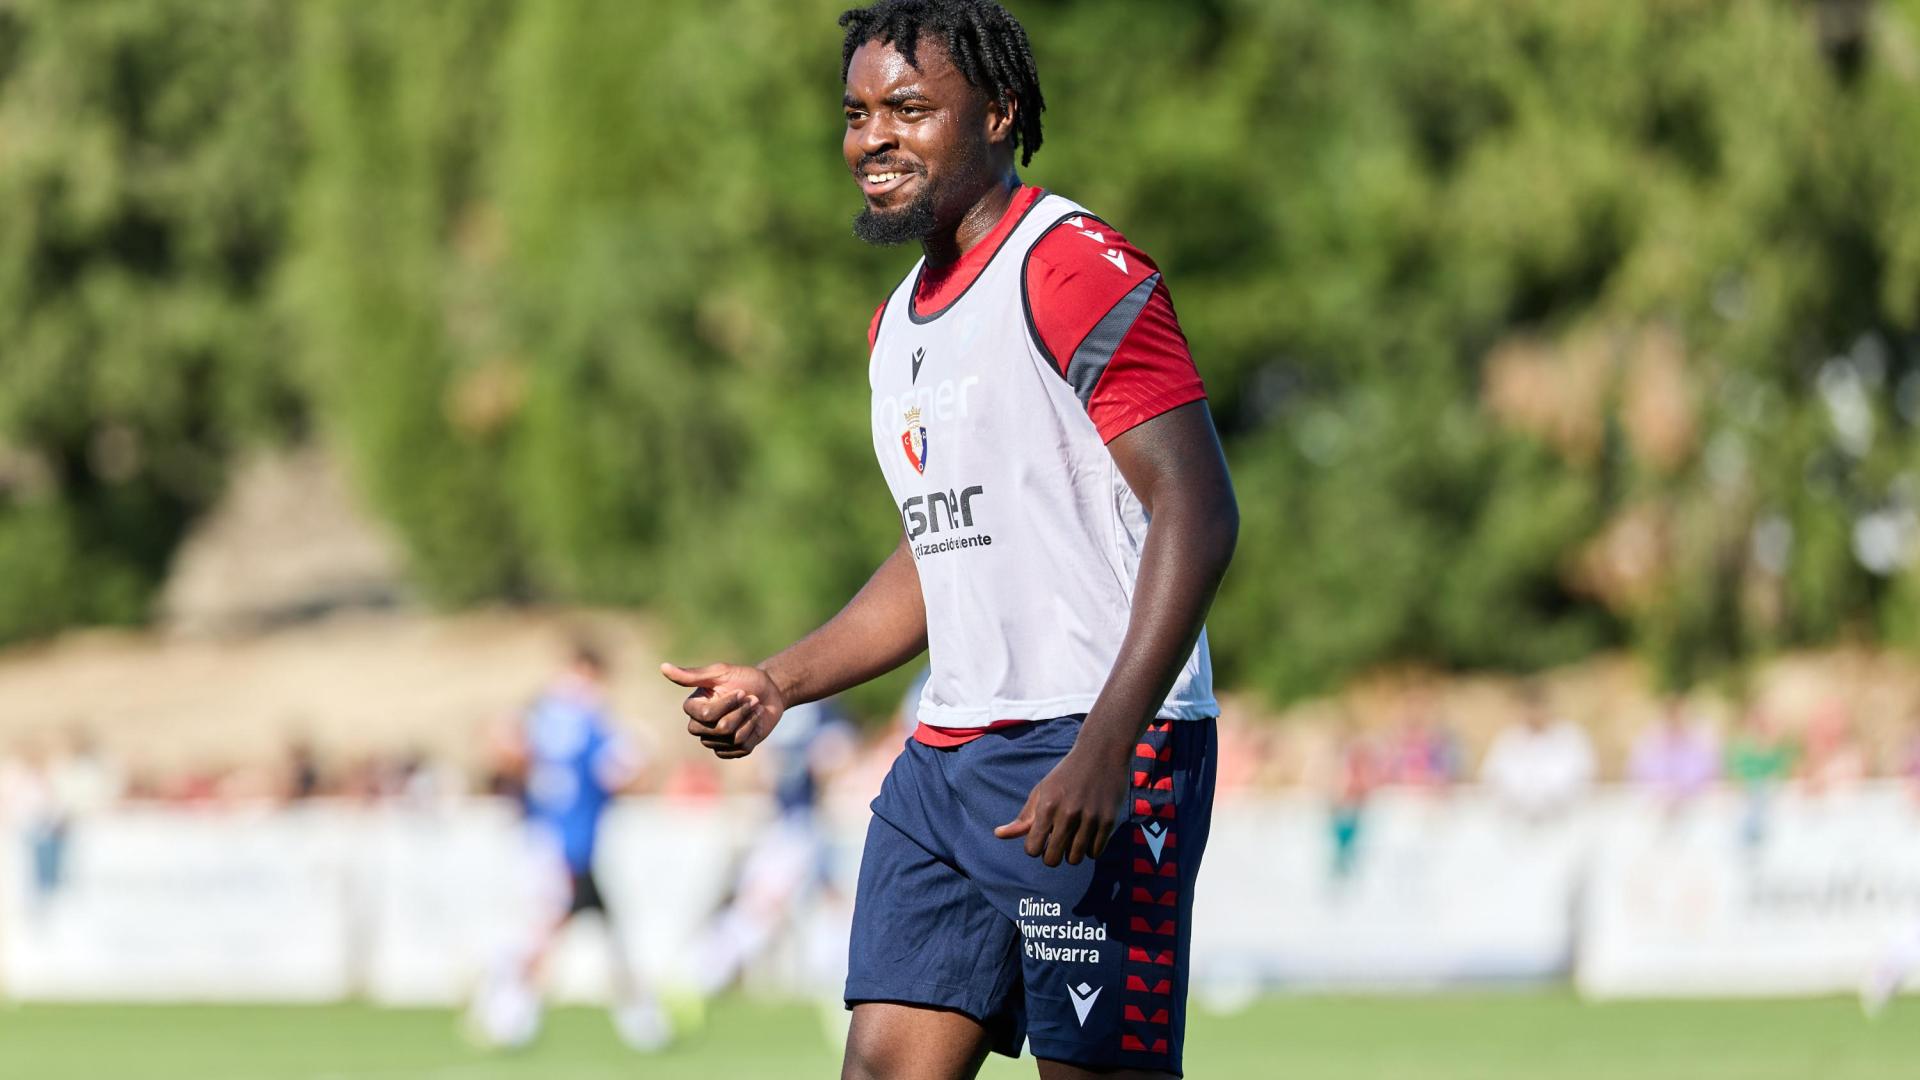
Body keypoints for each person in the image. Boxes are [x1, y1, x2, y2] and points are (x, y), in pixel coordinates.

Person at [661, 3, 1238, 1077]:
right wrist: (783, 683)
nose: (873, 138)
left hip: (1094, 748)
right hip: (946, 759)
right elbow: (940, 553)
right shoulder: (897, 327)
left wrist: (1106, 749)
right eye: (857, 113)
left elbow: (1198, 511)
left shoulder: (1071, 267)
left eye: (911, 110)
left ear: (1001, 112)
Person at [469, 643, 669, 1052]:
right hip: (564, 847)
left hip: (567, 845)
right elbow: (623, 772)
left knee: (579, 934)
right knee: (549, 933)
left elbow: (502, 752)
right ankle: (505, 1012)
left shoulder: (540, 714)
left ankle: (639, 1021)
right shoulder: (583, 721)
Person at [1479, 687, 1595, 822]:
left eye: (1538, 708)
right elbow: (1491, 776)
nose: (1534, 714)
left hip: (1563, 820)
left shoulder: (1570, 737)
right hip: (1516, 822)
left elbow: (1583, 775)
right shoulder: (1509, 739)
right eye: (1530, 708)